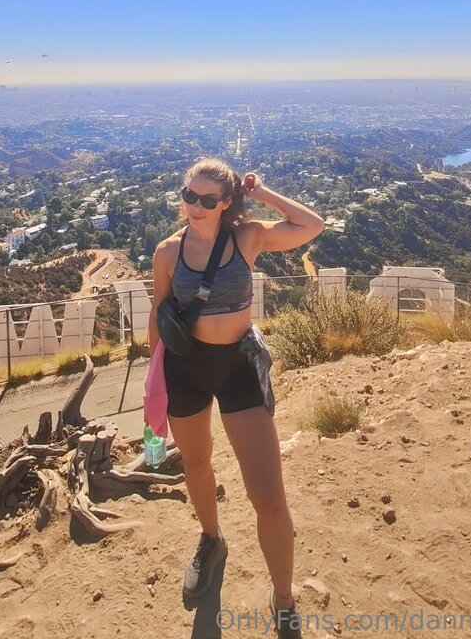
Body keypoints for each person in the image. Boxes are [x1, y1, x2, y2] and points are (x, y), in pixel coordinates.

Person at [148, 157, 325, 637]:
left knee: (269, 498)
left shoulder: (246, 237)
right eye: (189, 196)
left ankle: (283, 597)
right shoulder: (167, 252)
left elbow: (311, 225)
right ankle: (211, 539)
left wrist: (261, 192)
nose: (196, 206)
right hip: (184, 371)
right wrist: (153, 381)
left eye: (208, 200)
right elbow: (159, 314)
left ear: (226, 202)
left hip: (237, 370)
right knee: (196, 464)